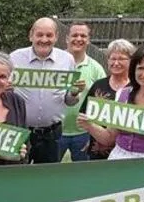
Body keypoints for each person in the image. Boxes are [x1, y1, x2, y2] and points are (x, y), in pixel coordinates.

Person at [9, 18, 81, 163]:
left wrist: (74, 93)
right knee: (17, 177)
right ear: (31, 36)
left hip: (51, 134)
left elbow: (69, 100)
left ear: (56, 37)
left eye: (49, 35)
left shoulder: (67, 60)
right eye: (39, 35)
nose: (44, 39)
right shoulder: (14, 58)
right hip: (21, 131)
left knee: (48, 180)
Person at [59, 23, 108, 162]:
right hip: (56, 131)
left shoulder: (96, 68)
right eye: (74, 35)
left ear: (88, 40)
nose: (78, 39)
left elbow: (103, 104)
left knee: (82, 175)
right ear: (67, 38)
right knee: (48, 174)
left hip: (84, 133)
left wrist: (94, 135)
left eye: (83, 36)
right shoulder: (55, 64)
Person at [83, 40, 134, 159]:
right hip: (97, 151)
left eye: (121, 59)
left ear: (131, 61)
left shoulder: (136, 88)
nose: (116, 63)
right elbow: (86, 114)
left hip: (125, 153)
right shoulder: (98, 85)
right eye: (112, 58)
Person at [0, 51, 29, 165]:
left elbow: (25, 141)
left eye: (2, 77)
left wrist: (22, 153)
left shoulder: (16, 101)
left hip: (12, 174)